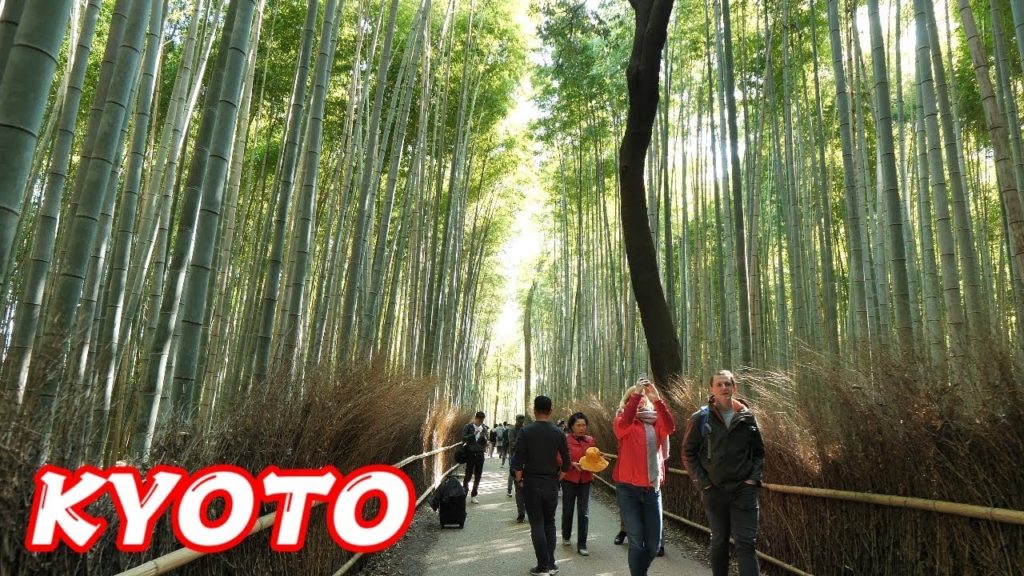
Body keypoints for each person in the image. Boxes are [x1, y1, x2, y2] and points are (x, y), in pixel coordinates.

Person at [683, 370, 764, 576]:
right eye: (719, 384)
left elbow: (759, 452)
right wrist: (704, 483)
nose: (723, 388)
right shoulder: (701, 418)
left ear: (734, 387)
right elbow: (688, 453)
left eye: (727, 384)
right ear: (711, 389)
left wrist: (753, 479)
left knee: (746, 542)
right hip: (715, 489)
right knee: (719, 541)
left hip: (743, 490)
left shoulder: (747, 417)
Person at [613, 376, 675, 576]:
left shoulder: (656, 421)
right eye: (633, 397)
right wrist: (637, 392)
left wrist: (657, 399)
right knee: (636, 542)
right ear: (627, 401)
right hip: (627, 489)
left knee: (654, 546)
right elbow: (624, 425)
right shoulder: (622, 420)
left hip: (651, 488)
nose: (639, 399)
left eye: (642, 397)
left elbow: (670, 427)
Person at [515, 396, 570, 576]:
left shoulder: (526, 431)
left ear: (534, 410)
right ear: (550, 411)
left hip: (531, 482)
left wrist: (519, 480)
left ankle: (542, 566)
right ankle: (551, 564)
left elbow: (518, 459)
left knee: (537, 523)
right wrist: (559, 477)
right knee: (550, 522)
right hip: (551, 482)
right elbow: (567, 462)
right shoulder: (558, 432)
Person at [560, 412, 596, 556]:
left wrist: (596, 462)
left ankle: (582, 544)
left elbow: (593, 458)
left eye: (584, 425)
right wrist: (570, 463)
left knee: (584, 512)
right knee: (568, 510)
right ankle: (566, 535)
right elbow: (559, 457)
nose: (581, 428)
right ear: (571, 426)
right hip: (569, 479)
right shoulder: (565, 440)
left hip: (585, 480)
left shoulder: (590, 440)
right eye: (578, 425)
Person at [462, 411, 488, 504]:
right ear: (475, 418)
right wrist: (473, 434)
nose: (480, 422)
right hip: (470, 454)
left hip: (480, 455)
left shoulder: (484, 428)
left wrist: (484, 437)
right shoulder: (468, 426)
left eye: (482, 420)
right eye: (479, 420)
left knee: (478, 476)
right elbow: (463, 438)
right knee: (468, 475)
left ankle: (474, 495)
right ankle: (464, 493)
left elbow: (485, 443)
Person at [507, 414, 527, 521]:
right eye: (520, 420)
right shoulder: (512, 430)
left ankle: (527, 511)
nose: (521, 422)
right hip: (514, 457)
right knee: (516, 483)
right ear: (516, 420)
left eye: (522, 420)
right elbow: (511, 443)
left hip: (526, 460)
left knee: (527, 491)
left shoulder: (525, 429)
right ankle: (521, 513)